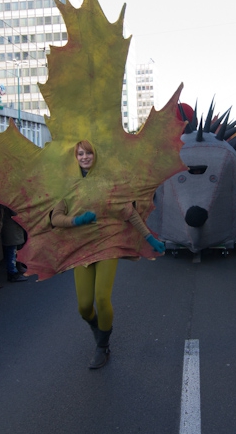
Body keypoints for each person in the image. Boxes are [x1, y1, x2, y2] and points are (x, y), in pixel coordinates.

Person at [50, 140, 165, 369]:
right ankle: (97, 327)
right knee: (84, 306)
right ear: (75, 157)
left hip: (107, 244)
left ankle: (102, 346)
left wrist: (149, 237)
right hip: (81, 249)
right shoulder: (67, 185)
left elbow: (129, 213)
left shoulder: (108, 183)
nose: (84, 157)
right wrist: (76, 220)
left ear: (95, 155)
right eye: (80, 153)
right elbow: (55, 218)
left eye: (88, 153)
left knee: (102, 298)